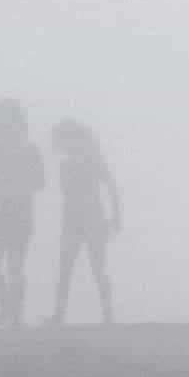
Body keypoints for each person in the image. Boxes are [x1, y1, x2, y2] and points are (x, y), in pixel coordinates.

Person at [0, 98, 44, 327]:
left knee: (13, 264)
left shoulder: (28, 150)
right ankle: (8, 306)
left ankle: (13, 311)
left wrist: (8, 181)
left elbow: (39, 182)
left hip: (14, 210)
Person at [47, 118, 122, 327]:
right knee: (69, 269)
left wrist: (116, 215)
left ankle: (106, 314)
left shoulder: (90, 162)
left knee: (94, 269)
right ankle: (61, 314)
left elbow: (111, 187)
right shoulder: (71, 164)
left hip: (89, 220)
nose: (62, 147)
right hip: (78, 221)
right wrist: (115, 216)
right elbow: (110, 188)